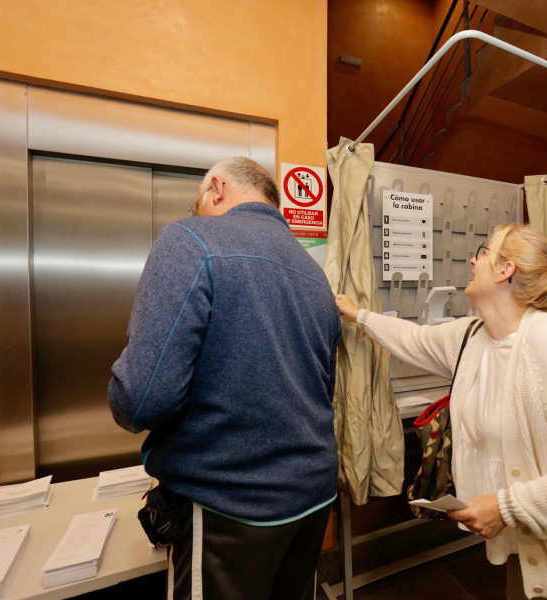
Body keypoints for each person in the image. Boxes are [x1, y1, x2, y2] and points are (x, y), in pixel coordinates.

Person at [336, 223, 547, 600]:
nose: (473, 259)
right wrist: (357, 315)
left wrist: (506, 508)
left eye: (483, 252)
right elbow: (413, 339)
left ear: (506, 270)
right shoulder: (472, 336)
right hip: (530, 562)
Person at [109, 157, 341, 600]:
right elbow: (322, 387)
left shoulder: (191, 239)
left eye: (198, 205)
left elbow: (141, 398)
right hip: (311, 502)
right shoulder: (314, 274)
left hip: (229, 507)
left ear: (216, 188)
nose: (198, 214)